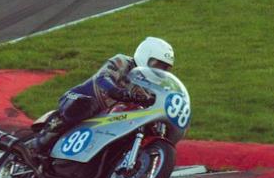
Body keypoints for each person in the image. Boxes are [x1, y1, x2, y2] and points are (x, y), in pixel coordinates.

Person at [27, 36, 175, 155]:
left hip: (104, 119)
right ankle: (36, 145)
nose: (159, 70)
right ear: (145, 55)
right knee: (85, 105)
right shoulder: (123, 61)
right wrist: (117, 92)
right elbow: (102, 77)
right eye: (157, 64)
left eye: (164, 68)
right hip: (77, 97)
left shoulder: (148, 87)